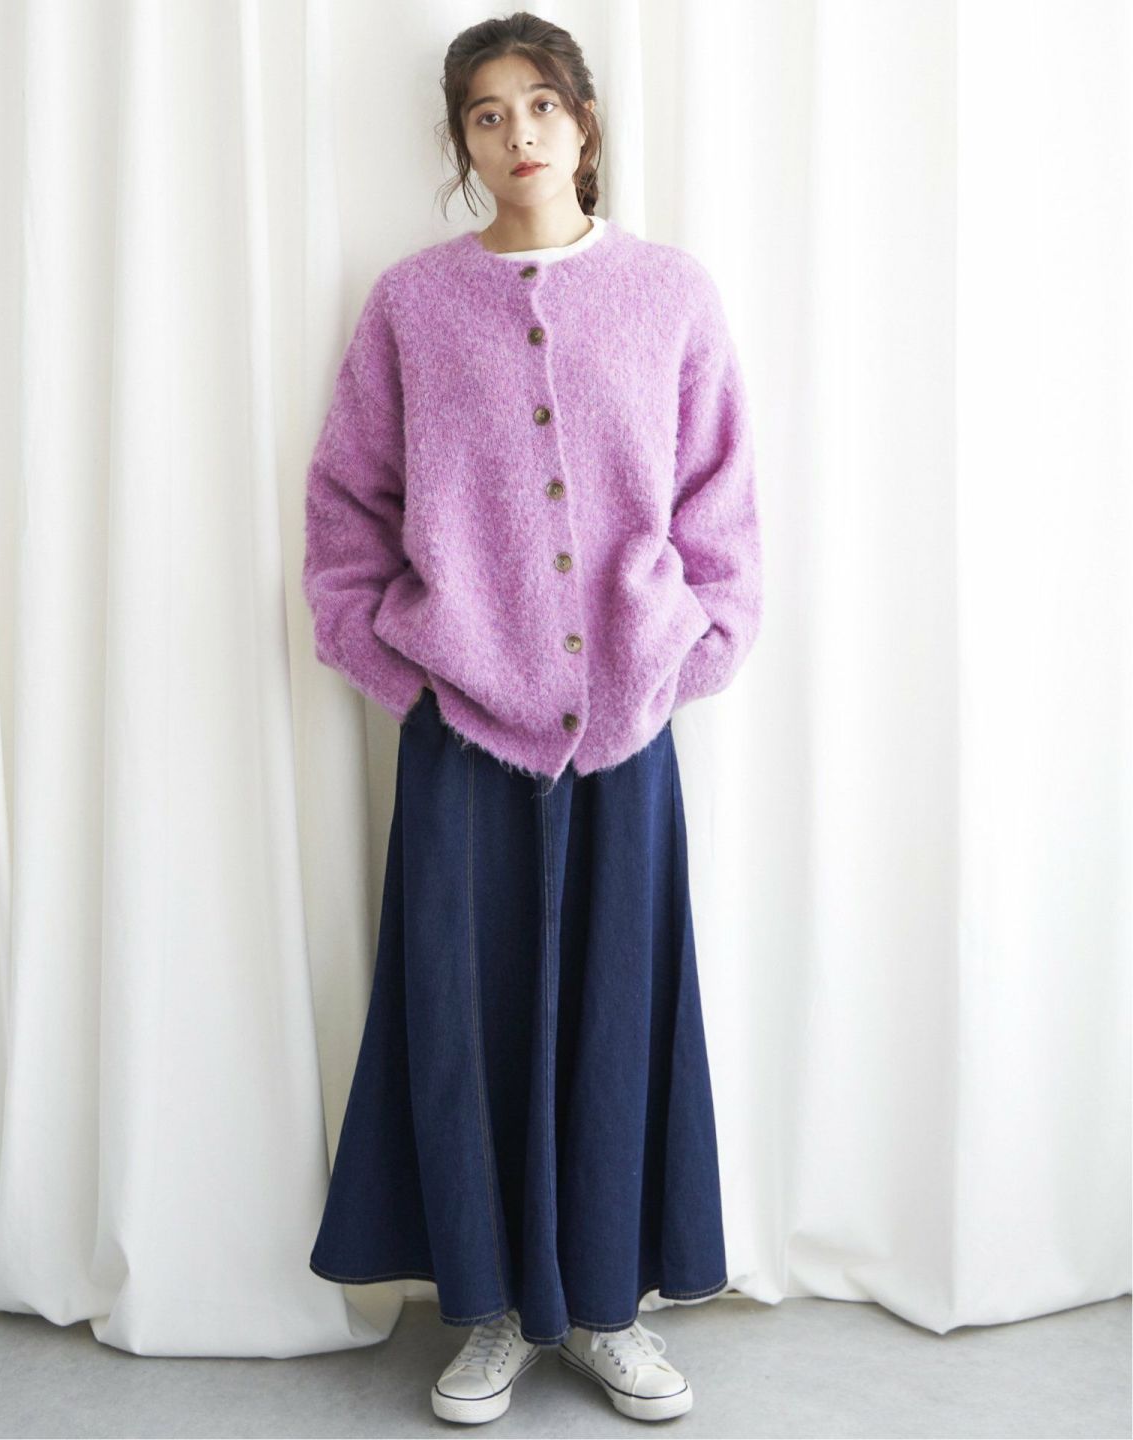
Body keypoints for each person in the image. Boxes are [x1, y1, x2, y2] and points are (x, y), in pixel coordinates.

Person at [301, 10, 762, 1427]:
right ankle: (491, 1311)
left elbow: (720, 502)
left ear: (586, 121)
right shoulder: (412, 305)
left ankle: (610, 1312)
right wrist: (412, 676)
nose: (518, 135)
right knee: (462, 1022)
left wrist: (690, 655)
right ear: (461, 141)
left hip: (626, 730)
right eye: (488, 115)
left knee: (622, 1017)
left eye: (541, 106)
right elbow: (346, 511)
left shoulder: (670, 294)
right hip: (465, 731)